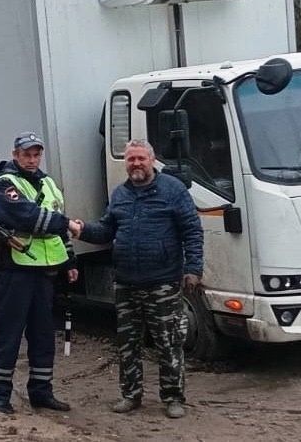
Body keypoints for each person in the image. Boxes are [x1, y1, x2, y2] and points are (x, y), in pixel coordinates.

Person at [70, 139, 203, 419]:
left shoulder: (173, 190)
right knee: (128, 343)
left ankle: (173, 398)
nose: (136, 164)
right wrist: (82, 230)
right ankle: (131, 395)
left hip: (163, 282)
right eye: (131, 160)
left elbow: (192, 231)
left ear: (152, 160)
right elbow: (106, 230)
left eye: (141, 158)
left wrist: (193, 269)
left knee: (169, 342)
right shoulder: (120, 194)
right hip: (127, 283)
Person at [0, 131, 80, 415]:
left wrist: (70, 262)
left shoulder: (48, 183)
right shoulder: (5, 184)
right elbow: (24, 216)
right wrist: (64, 222)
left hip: (45, 272)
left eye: (36, 154)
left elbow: (57, 232)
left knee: (43, 335)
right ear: (15, 155)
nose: (32, 159)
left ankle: (41, 393)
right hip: (16, 270)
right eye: (26, 154)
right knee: (8, 334)